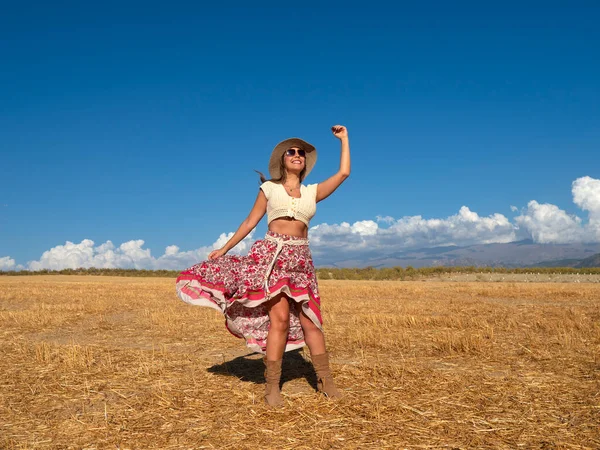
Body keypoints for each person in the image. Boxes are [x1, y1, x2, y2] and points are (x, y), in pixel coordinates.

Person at [175, 125, 351, 406]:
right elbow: (249, 222)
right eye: (291, 151)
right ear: (282, 159)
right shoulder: (269, 188)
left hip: (302, 261)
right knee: (279, 321)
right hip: (273, 258)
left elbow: (344, 173)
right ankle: (272, 387)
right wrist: (224, 248)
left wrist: (344, 139)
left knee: (311, 323)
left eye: (301, 152)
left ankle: (325, 380)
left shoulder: (312, 192)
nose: (297, 154)